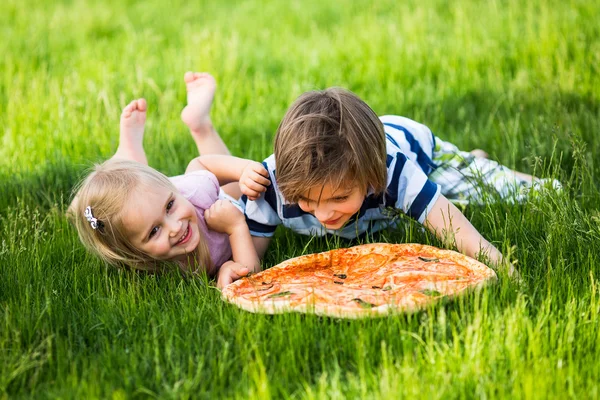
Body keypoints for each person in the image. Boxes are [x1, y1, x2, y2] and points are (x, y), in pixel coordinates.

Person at [242, 87, 561, 277]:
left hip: (419, 152)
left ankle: (477, 164)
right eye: (308, 201)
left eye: (339, 199)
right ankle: (470, 158)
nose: (324, 215)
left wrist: (504, 268)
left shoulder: (394, 172)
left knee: (498, 189)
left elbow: (451, 223)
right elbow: (251, 260)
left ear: (370, 178)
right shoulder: (272, 186)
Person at [70, 72, 270, 288]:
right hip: (161, 201)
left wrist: (245, 171)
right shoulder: (150, 267)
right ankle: (128, 155)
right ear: (136, 254)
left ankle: (201, 126)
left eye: (170, 206)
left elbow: (206, 164)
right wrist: (233, 236)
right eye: (154, 231)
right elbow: (248, 282)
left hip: (212, 203)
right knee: (77, 212)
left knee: (234, 191)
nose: (175, 227)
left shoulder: (196, 194)